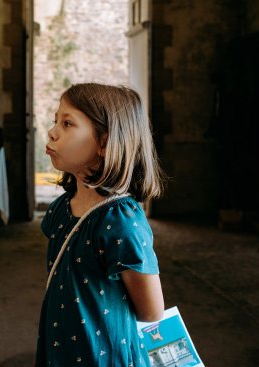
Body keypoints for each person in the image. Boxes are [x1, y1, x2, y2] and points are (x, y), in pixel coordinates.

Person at [36, 83, 165, 366]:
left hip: (105, 357)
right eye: (55, 120)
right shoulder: (61, 209)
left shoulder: (120, 221)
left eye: (67, 123)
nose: (52, 132)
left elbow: (152, 311)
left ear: (105, 143)